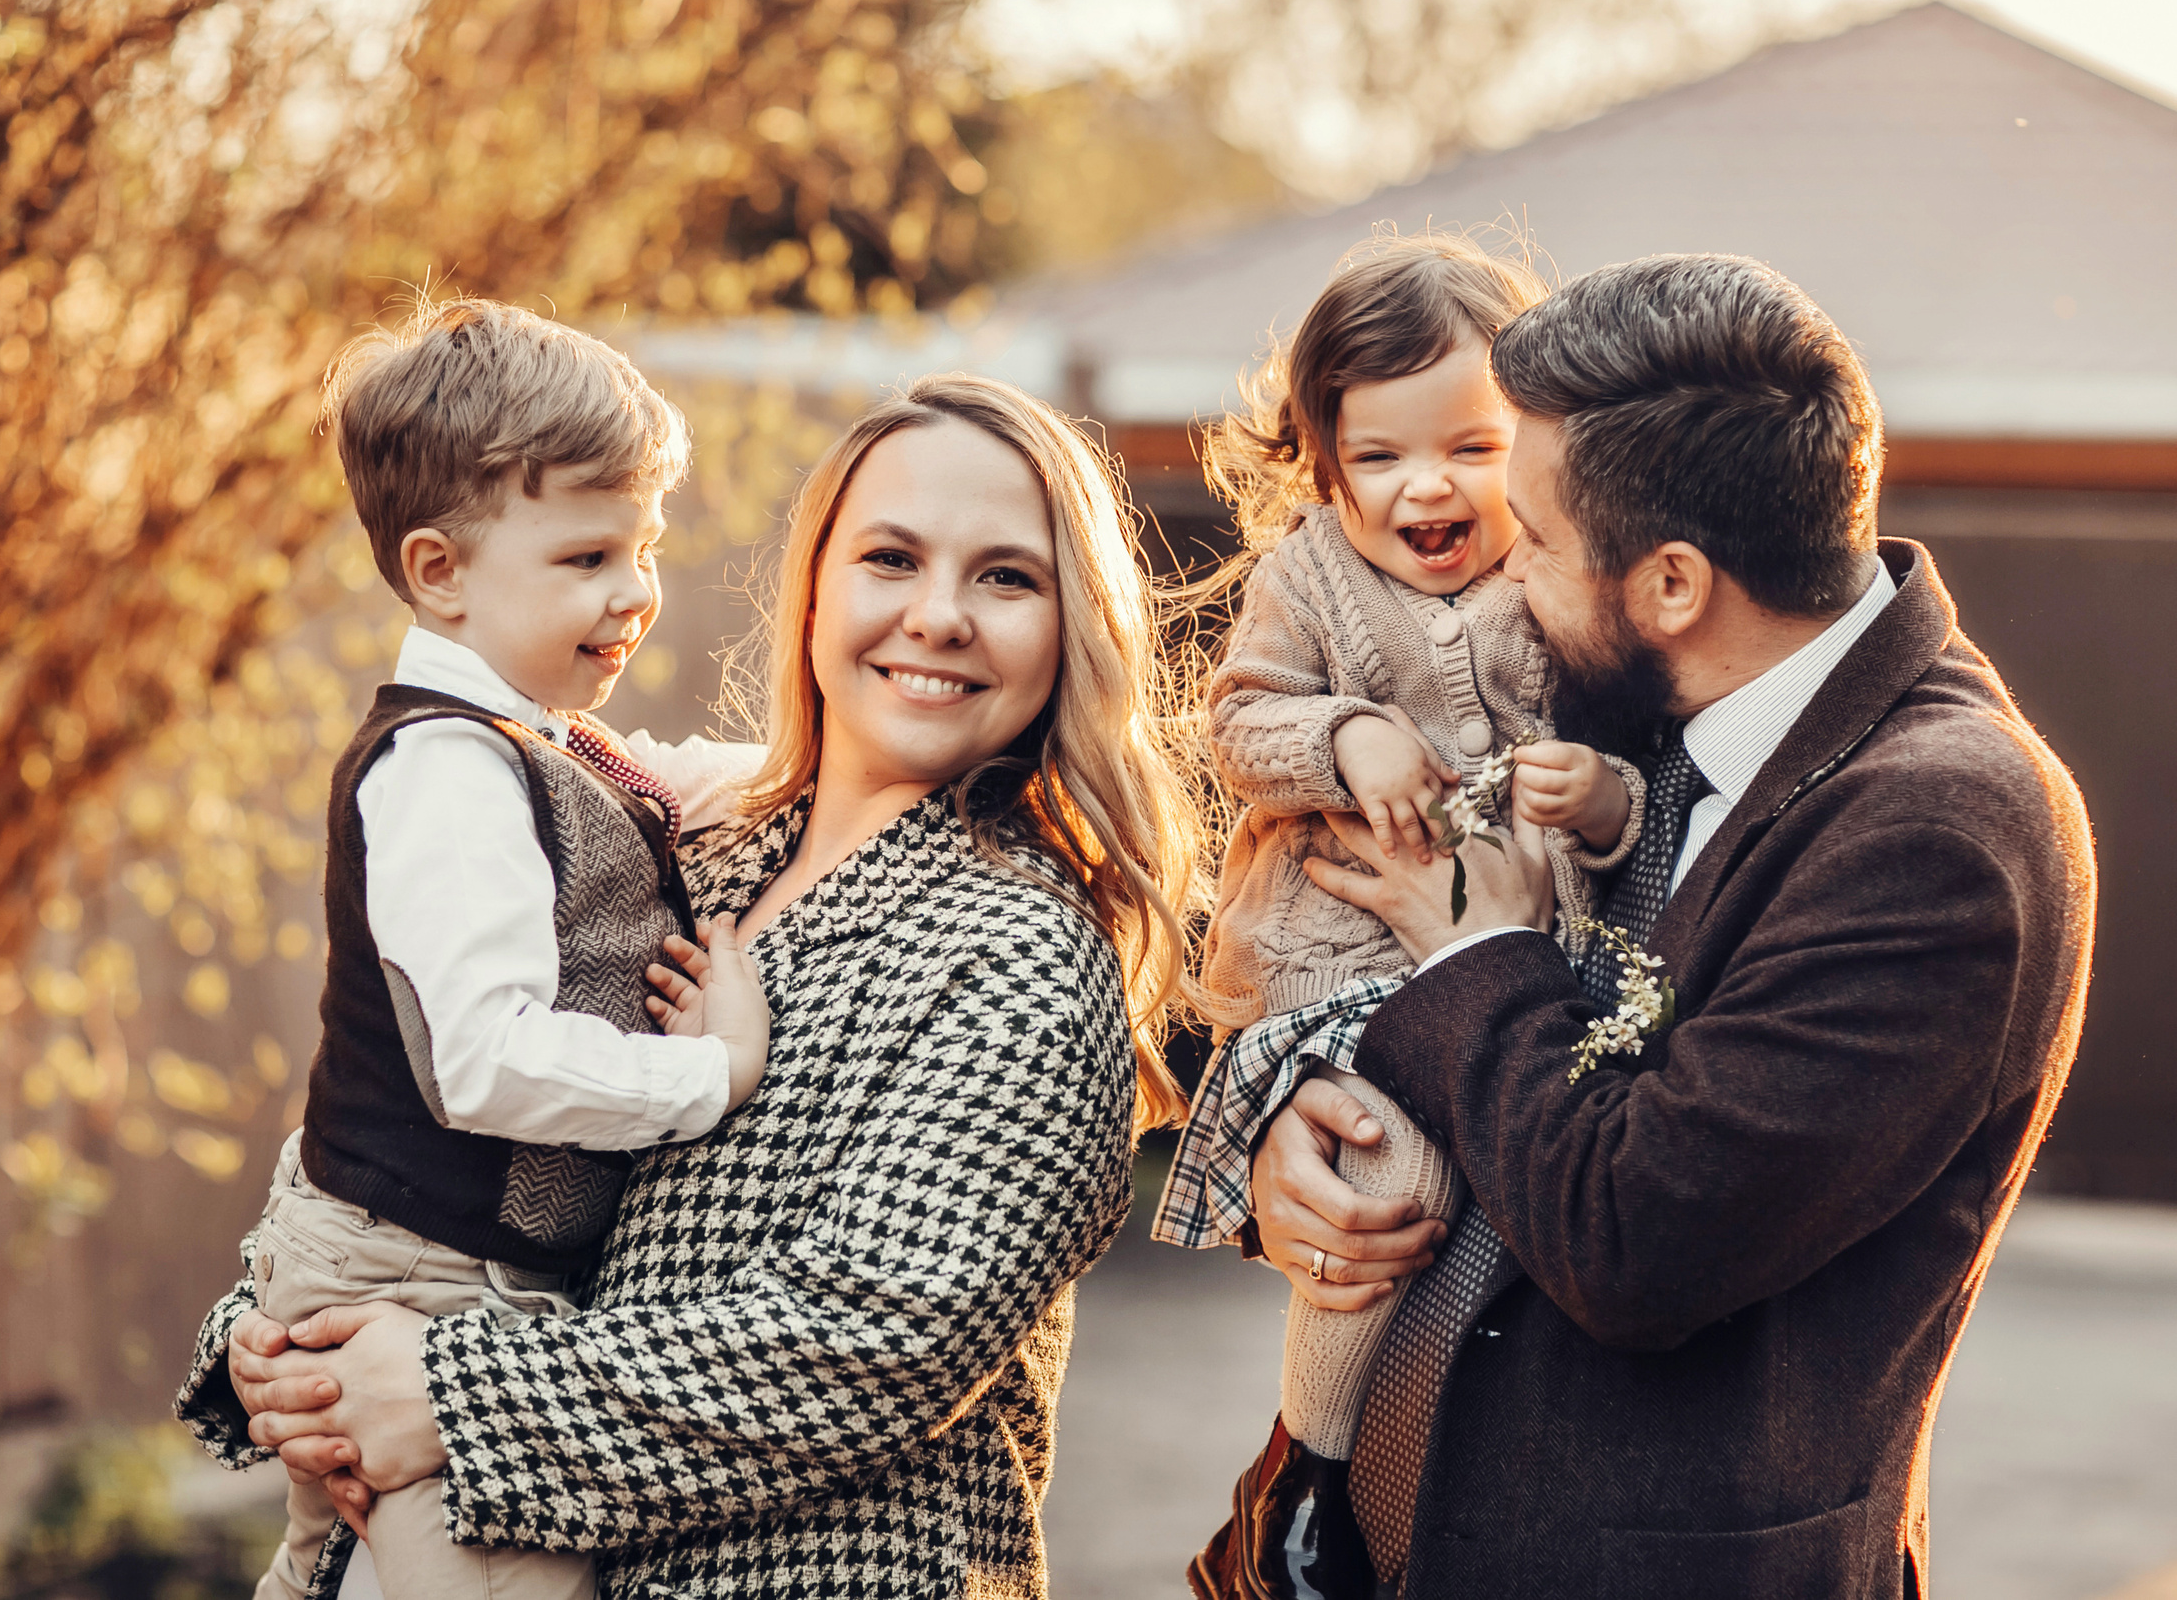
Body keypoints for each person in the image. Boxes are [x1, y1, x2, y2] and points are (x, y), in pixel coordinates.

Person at [178, 374, 1208, 1598]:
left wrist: (448, 1397)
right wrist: (281, 1338)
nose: (937, 616)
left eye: (1005, 577)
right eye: (890, 558)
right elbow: (427, 1089)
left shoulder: (1019, 958)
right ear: (816, 584)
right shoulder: (686, 851)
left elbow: (870, 1344)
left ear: (1071, 625)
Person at [1244, 253, 2094, 1598]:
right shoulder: (1640, 685)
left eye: (1535, 537)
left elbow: (1633, 1234)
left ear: (1675, 581)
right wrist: (1294, 1128)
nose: (1501, 576)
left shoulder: (1940, 834)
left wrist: (1476, 952)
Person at [211, 295, 773, 1600]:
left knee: (330, 1570)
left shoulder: (536, 736)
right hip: (419, 1272)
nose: (635, 590)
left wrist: (840, 759)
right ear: (439, 571)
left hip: (435, 1261)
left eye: (645, 545)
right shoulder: (443, 770)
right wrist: (715, 1074)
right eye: (587, 556)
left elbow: (670, 781)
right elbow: (482, 1062)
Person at [1153, 231, 1643, 1600]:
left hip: (1523, 963)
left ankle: (1403, 1498)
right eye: (1379, 457)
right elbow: (1236, 720)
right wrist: (1351, 732)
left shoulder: (1564, 582)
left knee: (1517, 1231)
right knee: (1397, 1183)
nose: (1426, 486)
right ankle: (1298, 1484)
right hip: (1331, 968)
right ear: (1322, 465)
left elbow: (1640, 776)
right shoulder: (1307, 579)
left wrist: (1598, 794)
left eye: (1472, 448)